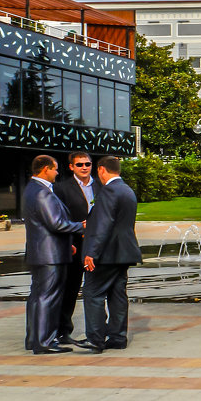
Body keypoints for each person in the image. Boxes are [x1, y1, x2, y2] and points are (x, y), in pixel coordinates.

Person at [76, 156, 142, 353]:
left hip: (107, 253)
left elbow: (102, 225)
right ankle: (117, 337)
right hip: (124, 252)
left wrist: (91, 253)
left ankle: (95, 339)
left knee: (93, 293)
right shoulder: (127, 190)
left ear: (102, 170)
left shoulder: (109, 191)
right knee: (117, 295)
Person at [23, 155, 84, 354]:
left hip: (41, 252)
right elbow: (56, 223)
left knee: (37, 296)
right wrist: (82, 226)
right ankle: (45, 342)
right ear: (45, 169)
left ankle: (33, 339)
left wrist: (68, 245)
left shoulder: (31, 189)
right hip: (50, 256)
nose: (57, 173)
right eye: (55, 169)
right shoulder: (42, 192)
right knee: (48, 297)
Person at [53, 150, 98, 346]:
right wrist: (69, 239)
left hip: (96, 244)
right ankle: (63, 330)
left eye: (87, 164)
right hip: (74, 243)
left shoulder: (101, 185)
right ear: (71, 167)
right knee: (70, 288)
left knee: (95, 288)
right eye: (79, 164)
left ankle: (97, 330)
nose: (84, 168)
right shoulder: (61, 188)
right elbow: (59, 218)